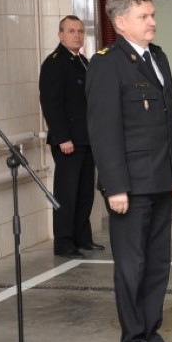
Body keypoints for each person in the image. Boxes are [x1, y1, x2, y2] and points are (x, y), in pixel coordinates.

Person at [86, 0, 172, 342]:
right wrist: (115, 186)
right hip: (129, 185)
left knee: (158, 263)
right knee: (132, 265)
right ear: (121, 21)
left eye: (152, 15)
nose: (152, 22)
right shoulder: (106, 63)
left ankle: (151, 333)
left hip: (160, 179)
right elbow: (104, 130)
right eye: (144, 16)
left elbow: (168, 119)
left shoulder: (158, 57)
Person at [39, 15, 104, 259]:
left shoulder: (83, 62)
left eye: (80, 31)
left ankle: (82, 238)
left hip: (86, 139)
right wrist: (63, 137)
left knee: (85, 192)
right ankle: (64, 243)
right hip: (68, 141)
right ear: (61, 35)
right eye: (71, 31)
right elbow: (51, 104)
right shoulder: (55, 63)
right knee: (67, 194)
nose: (77, 35)